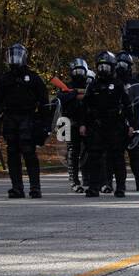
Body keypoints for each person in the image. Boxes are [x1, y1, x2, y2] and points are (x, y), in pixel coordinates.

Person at [0, 43, 48, 199]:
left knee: (29, 152)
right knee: (12, 154)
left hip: (28, 119)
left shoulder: (34, 78)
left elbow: (44, 103)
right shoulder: (4, 79)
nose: (14, 59)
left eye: (17, 55)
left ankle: (35, 187)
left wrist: (44, 125)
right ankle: (17, 187)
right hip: (10, 119)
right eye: (11, 55)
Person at [81, 52, 133, 197]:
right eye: (101, 66)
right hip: (97, 126)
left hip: (115, 125)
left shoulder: (118, 85)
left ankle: (120, 187)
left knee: (117, 157)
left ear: (112, 67)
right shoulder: (92, 86)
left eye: (106, 66)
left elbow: (127, 105)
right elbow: (86, 107)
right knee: (94, 156)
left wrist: (131, 125)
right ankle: (93, 187)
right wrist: (83, 124)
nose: (103, 69)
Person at [113, 52, 139, 192]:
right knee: (115, 156)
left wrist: (136, 124)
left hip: (132, 122)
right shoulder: (113, 83)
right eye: (119, 64)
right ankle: (111, 183)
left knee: (135, 154)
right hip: (117, 123)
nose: (122, 67)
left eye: (125, 64)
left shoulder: (135, 83)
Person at [57, 58, 91, 193]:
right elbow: (60, 98)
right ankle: (74, 179)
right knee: (72, 152)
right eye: (76, 70)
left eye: (81, 71)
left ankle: (88, 178)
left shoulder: (90, 85)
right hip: (70, 122)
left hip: (87, 122)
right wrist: (74, 94)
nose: (78, 73)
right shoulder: (66, 86)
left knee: (89, 151)